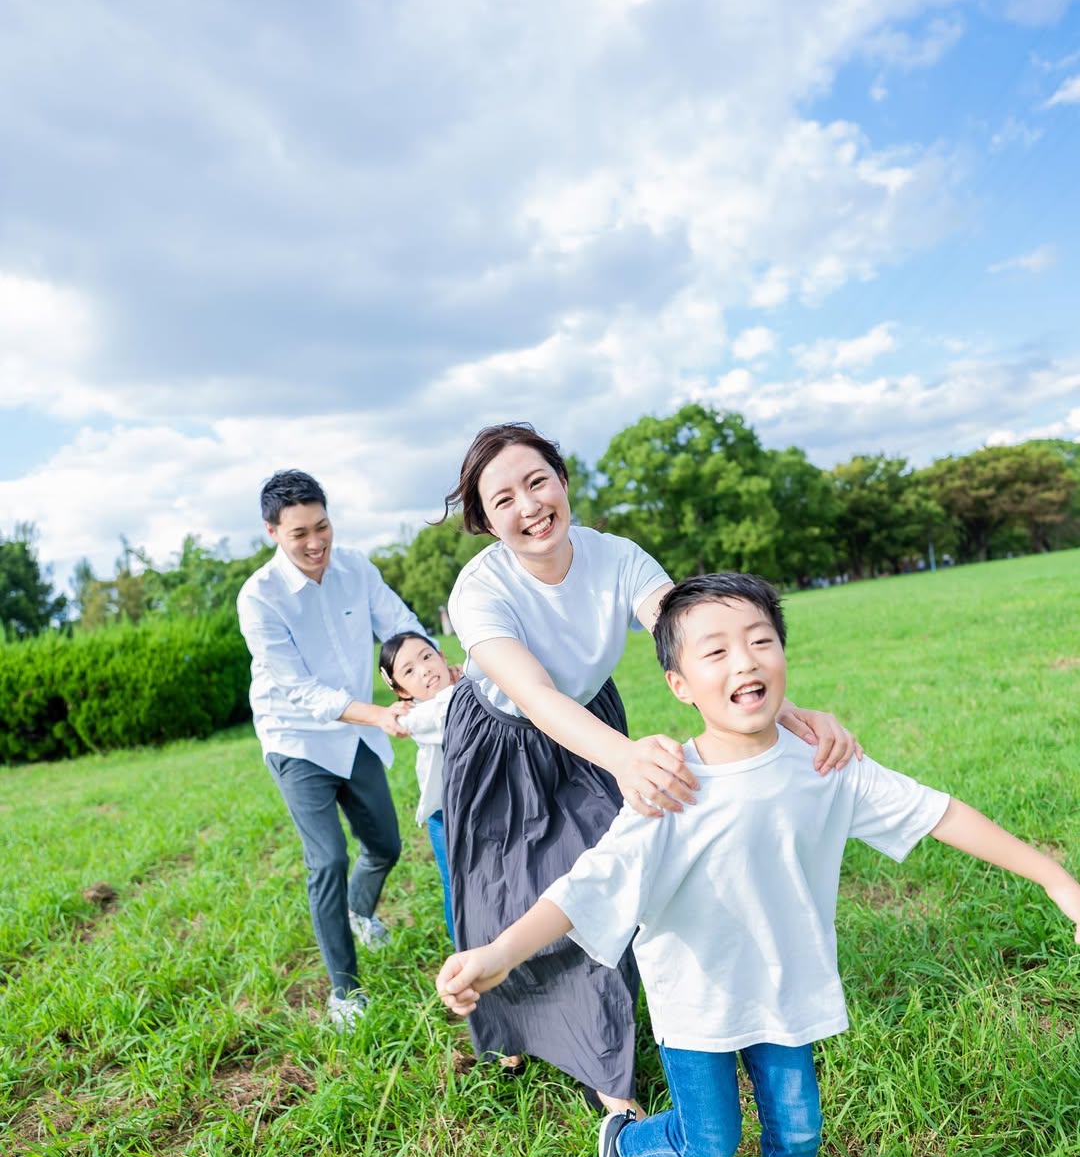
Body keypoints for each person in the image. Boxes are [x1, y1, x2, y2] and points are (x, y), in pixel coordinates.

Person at [436, 572, 1080, 1157]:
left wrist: (1055, 880)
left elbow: (938, 812)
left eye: (761, 640)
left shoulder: (825, 764)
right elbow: (588, 884)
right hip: (698, 1000)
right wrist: (502, 951)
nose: (744, 660)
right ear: (680, 684)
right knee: (709, 1144)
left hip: (788, 990)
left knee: (799, 1128)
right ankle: (625, 1147)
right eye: (715, 652)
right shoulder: (671, 790)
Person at [440, 425, 858, 1116]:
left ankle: (611, 1083)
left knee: (609, 877)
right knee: (497, 897)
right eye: (504, 498)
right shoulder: (478, 590)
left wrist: (783, 710)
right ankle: (512, 1030)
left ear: (564, 481)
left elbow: (692, 630)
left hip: (591, 723)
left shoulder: (615, 557)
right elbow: (536, 695)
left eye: (538, 481)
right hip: (499, 740)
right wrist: (628, 756)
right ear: (485, 520)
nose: (530, 505)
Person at [237, 469, 427, 1032]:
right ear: (272, 532)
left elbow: (399, 624)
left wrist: (432, 670)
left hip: (354, 733)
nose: (316, 542)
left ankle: (359, 911)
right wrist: (381, 714)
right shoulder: (259, 598)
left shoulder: (355, 569)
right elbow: (298, 688)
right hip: (295, 738)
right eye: (300, 534)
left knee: (386, 846)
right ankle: (345, 993)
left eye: (323, 527)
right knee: (328, 859)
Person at [378, 631, 458, 941]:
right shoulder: (417, 718)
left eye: (426, 657)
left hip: (486, 804)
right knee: (455, 885)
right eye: (409, 671)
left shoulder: (465, 687)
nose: (424, 670)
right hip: (446, 816)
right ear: (400, 691)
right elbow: (451, 709)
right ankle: (462, 950)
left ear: (441, 656)